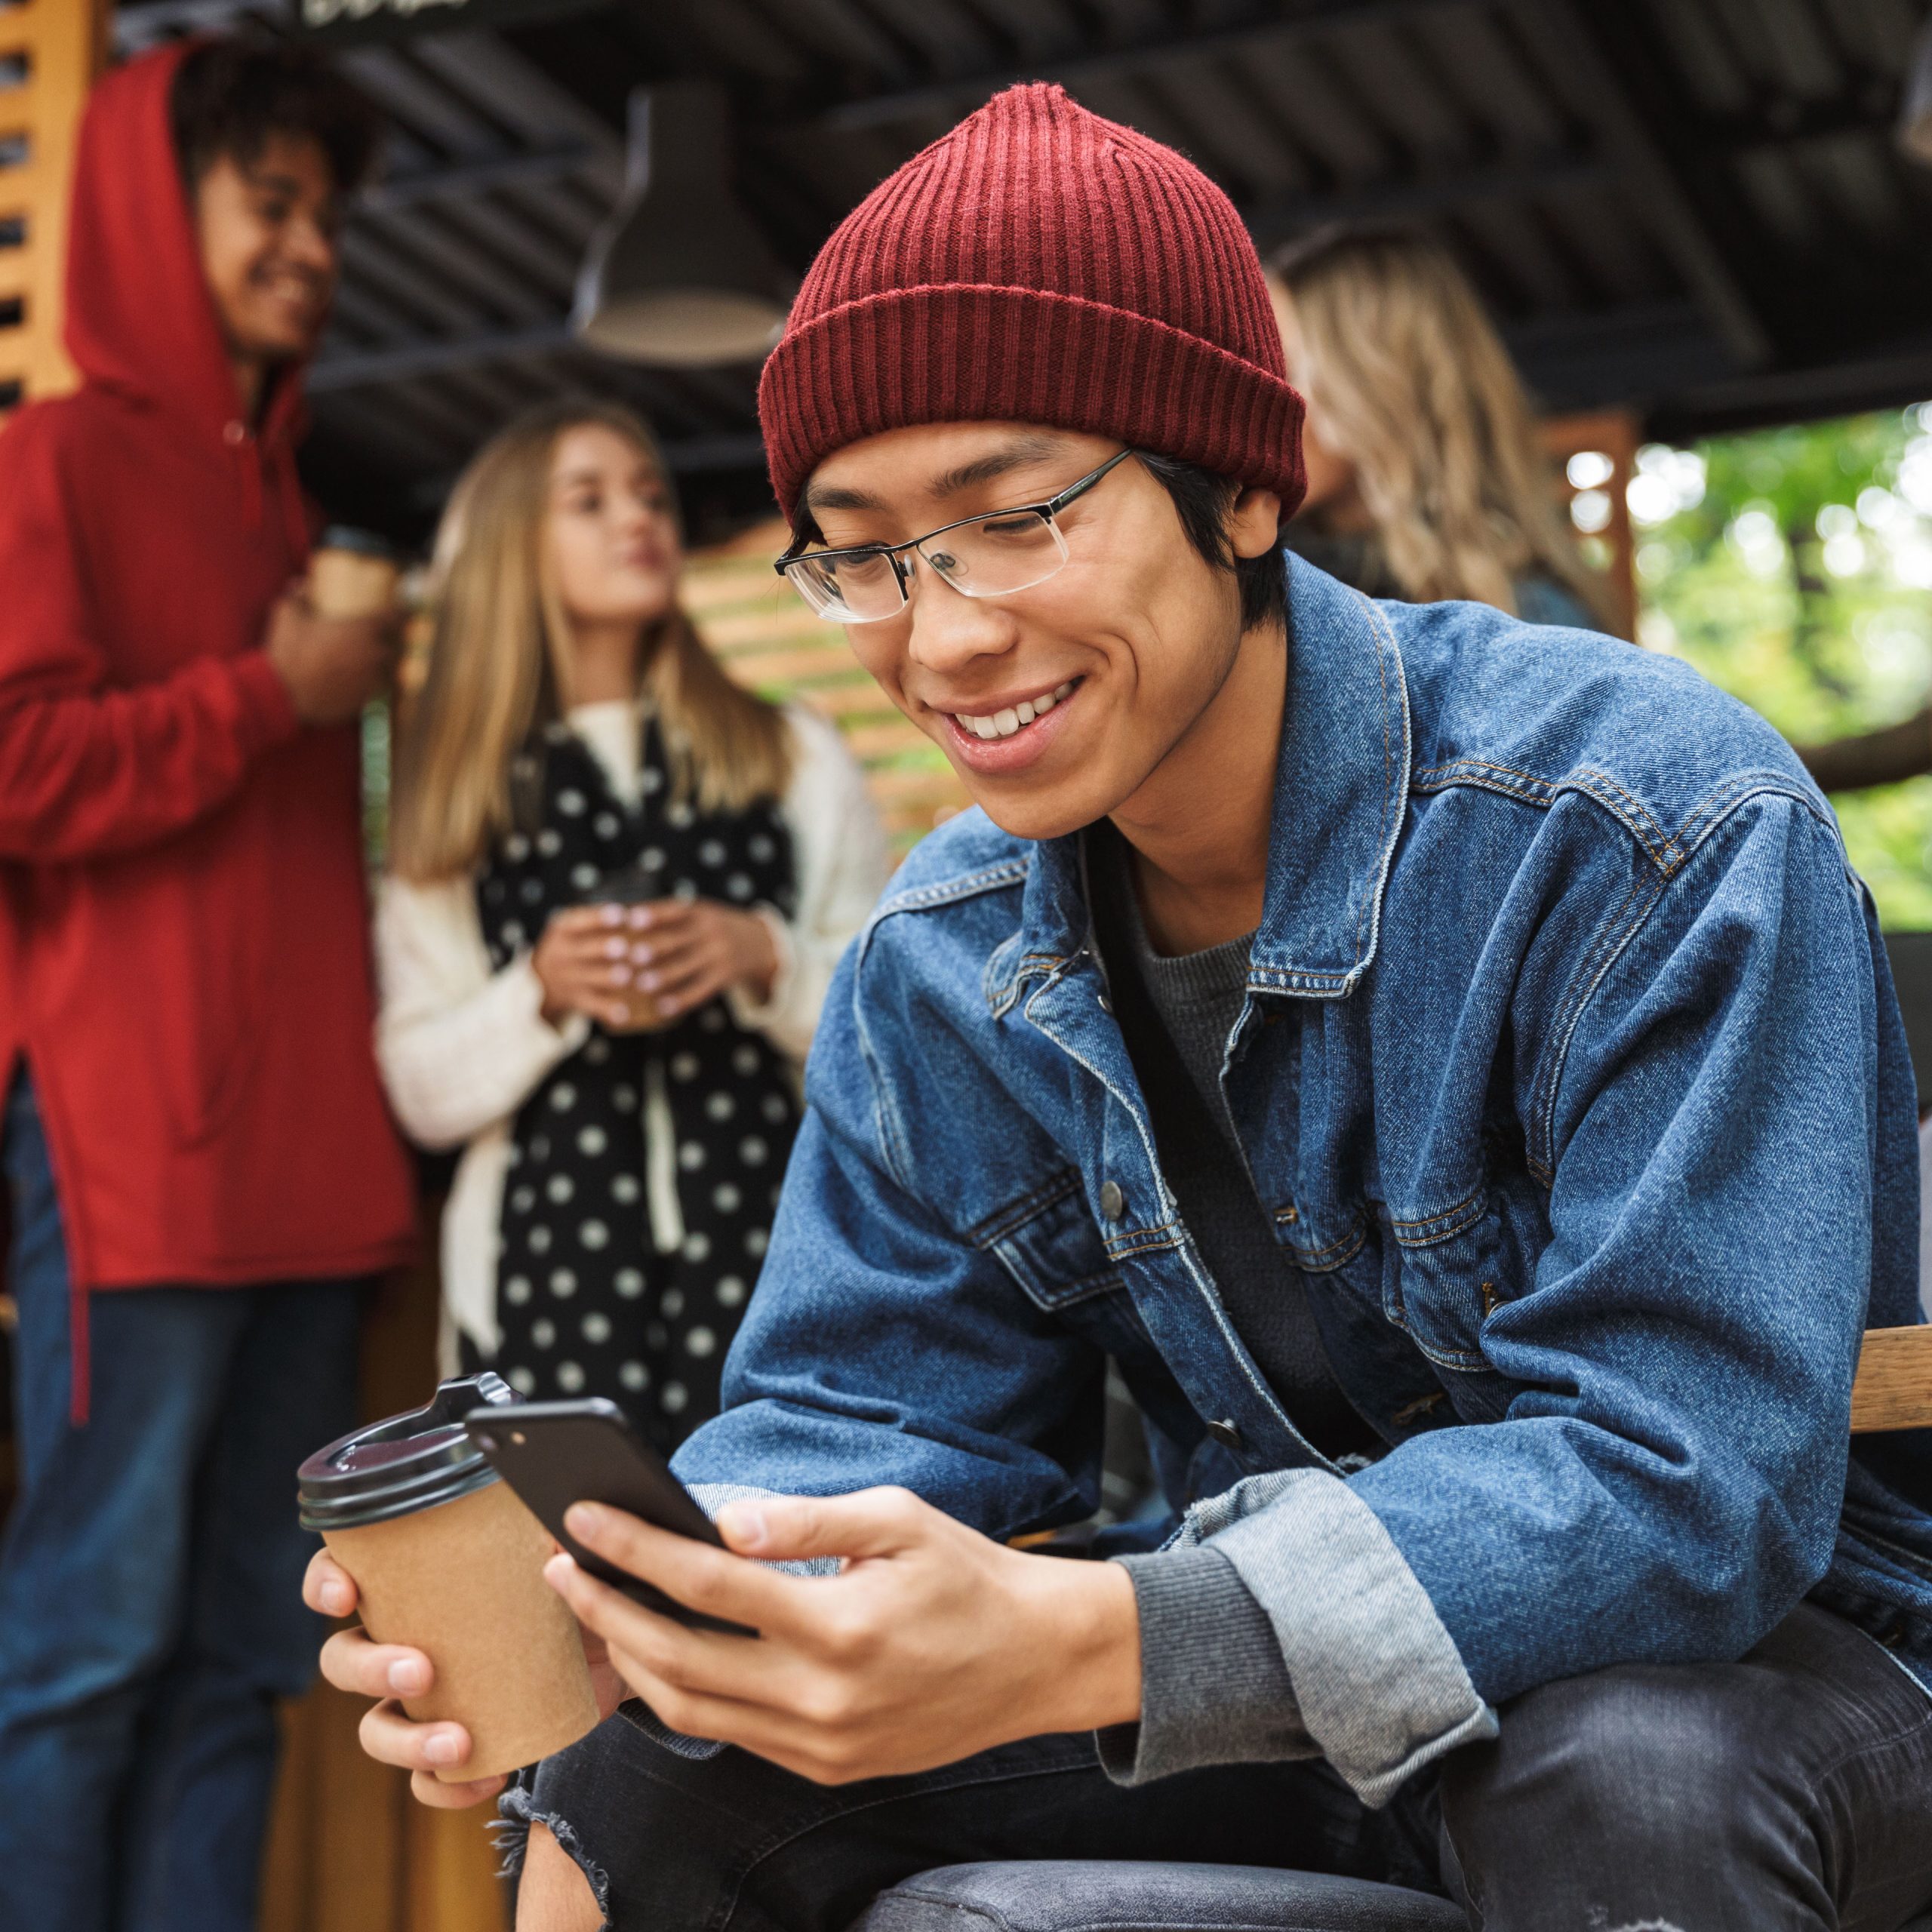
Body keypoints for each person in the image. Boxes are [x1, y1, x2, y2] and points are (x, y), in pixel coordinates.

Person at [311, 84, 1932, 1932]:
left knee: (1626, 1772)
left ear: (1243, 483)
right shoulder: (940, 953)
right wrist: (628, 1616)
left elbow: (1684, 1493)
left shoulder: (1645, 826)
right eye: (864, 553)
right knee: (646, 1761)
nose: (941, 638)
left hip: (1796, 1662)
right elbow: (845, 1415)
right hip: (1269, 1700)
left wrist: (1104, 1625)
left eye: (1010, 518)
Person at [0, 39, 416, 1932]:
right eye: (273, 199)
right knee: (87, 1651)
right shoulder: (51, 458)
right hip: (132, 1153)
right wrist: (274, 694)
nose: (312, 244)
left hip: (306, 1179)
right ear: (149, 218)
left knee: (249, 1652)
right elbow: (19, 767)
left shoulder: (287, 504)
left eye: (328, 211)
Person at [375, 401, 891, 1449]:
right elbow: (419, 1091)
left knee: (770, 1578)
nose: (639, 517)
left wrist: (768, 961)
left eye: (651, 494)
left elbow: (897, 1024)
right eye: (591, 499)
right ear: (514, 541)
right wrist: (543, 992)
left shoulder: (791, 750)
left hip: (781, 1266)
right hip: (532, 1298)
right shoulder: (456, 804)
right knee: (560, 1601)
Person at [1267, 225, 1611, 631]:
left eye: (1285, 370)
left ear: (1376, 388)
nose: (1261, 402)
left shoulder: (1536, 621)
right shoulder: (1257, 581)